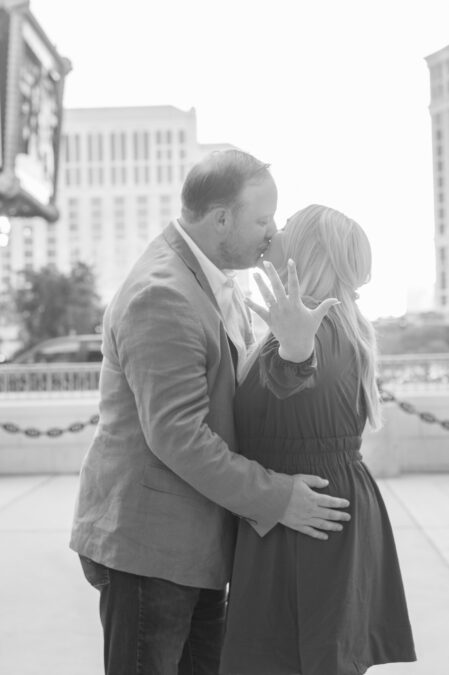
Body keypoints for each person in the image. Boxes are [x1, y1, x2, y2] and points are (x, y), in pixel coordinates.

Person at [69, 152, 351, 675]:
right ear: (221, 218)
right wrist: (278, 498)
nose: (271, 233)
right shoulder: (162, 294)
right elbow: (179, 437)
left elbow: (243, 393)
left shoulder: (221, 282)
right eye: (262, 220)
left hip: (198, 545)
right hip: (151, 549)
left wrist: (296, 354)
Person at [220, 204, 416, 675]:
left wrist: (293, 350)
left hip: (307, 518)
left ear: (307, 250)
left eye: (286, 225)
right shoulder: (333, 324)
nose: (276, 229)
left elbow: (299, 374)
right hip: (306, 508)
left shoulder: (318, 328)